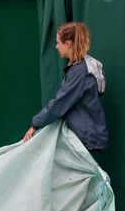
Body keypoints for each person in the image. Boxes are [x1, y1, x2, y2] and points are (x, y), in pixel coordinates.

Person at [23, 22, 108, 155]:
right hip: (85, 134)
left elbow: (60, 103)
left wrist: (35, 125)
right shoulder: (83, 67)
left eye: (58, 43)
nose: (56, 47)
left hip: (83, 137)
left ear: (68, 44)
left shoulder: (79, 72)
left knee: (79, 175)